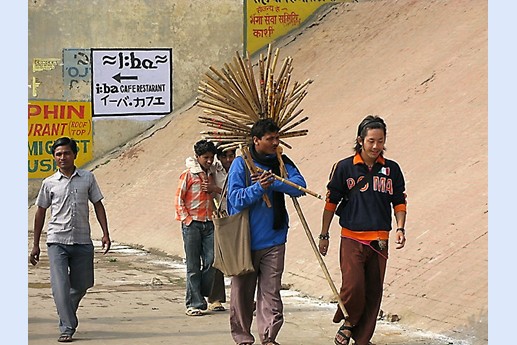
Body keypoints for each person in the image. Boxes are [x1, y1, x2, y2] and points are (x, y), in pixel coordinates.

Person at [318, 115, 407, 345]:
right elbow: (331, 202)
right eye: (371, 141)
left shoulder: (392, 169)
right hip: (351, 237)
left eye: (380, 141)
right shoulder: (344, 167)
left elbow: (399, 201)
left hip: (380, 240)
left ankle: (362, 339)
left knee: (373, 292)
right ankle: (348, 320)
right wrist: (324, 234)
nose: (376, 146)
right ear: (360, 140)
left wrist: (400, 228)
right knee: (353, 287)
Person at [226, 118, 307, 345]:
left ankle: (269, 337)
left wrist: (273, 182)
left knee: (271, 293)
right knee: (242, 294)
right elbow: (235, 200)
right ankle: (242, 338)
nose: (275, 142)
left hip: (274, 238)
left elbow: (299, 186)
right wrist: (258, 188)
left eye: (277, 138)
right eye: (270, 138)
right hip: (245, 240)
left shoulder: (281, 161)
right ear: (256, 140)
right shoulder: (241, 164)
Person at [29, 137, 111, 343]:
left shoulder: (88, 178)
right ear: (54, 158)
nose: (62, 157)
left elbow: (98, 205)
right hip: (57, 241)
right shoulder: (49, 183)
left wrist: (105, 233)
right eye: (58, 154)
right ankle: (67, 327)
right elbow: (40, 212)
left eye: (66, 153)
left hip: (82, 240)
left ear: (74, 154)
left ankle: (66, 312)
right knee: (60, 286)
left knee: (83, 285)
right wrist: (35, 244)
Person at [185, 144, 237, 311]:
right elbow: (192, 162)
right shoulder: (213, 169)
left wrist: (215, 188)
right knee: (206, 261)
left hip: (237, 216)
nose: (229, 159)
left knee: (222, 260)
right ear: (219, 158)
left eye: (232, 155)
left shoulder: (241, 167)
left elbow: (240, 193)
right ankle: (208, 300)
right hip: (215, 218)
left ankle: (241, 299)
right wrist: (187, 220)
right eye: (225, 156)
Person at [174, 139, 219, 316]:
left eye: (211, 157)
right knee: (193, 265)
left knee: (211, 261)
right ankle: (194, 304)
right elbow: (178, 200)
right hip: (192, 224)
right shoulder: (188, 175)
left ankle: (201, 293)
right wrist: (187, 220)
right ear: (197, 157)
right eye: (205, 157)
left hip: (209, 223)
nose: (209, 161)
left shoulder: (212, 174)